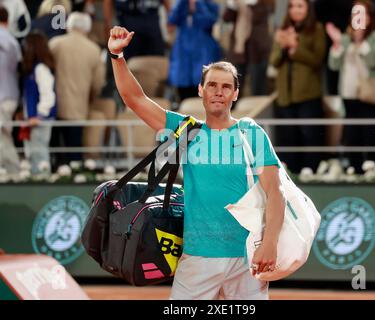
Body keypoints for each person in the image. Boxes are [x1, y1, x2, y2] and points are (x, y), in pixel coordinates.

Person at [107, 26, 286, 300]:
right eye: (212, 85)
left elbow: (275, 192)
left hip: (246, 256)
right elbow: (135, 99)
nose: (218, 92)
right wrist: (117, 56)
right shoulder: (186, 131)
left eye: (226, 87)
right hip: (197, 258)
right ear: (201, 90)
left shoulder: (251, 134)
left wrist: (270, 243)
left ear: (235, 94)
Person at [327, 0, 375, 173]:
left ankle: (373, 170)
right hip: (348, 94)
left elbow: (374, 60)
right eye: (355, 13)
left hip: (370, 94)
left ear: (370, 16)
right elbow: (333, 65)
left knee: (371, 134)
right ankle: (354, 169)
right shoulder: (346, 38)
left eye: (362, 13)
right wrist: (338, 45)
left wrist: (361, 40)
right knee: (352, 136)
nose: (358, 18)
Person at [270, 0, 326, 174]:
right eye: (292, 6)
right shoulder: (282, 30)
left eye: (300, 6)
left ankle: (311, 168)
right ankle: (290, 170)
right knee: (287, 134)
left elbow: (318, 59)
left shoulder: (316, 29)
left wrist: (296, 47)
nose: (295, 10)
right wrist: (282, 45)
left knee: (309, 134)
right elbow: (274, 60)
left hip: (307, 94)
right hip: (285, 94)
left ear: (308, 9)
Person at [49, 11, 105, 166]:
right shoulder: (93, 49)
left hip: (53, 106)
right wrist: (91, 97)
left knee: (53, 152)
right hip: (78, 108)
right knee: (74, 151)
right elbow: (98, 83)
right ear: (87, 28)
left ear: (68, 25)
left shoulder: (55, 44)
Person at [167, 0, 221, 102]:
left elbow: (208, 21)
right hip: (182, 51)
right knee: (182, 85)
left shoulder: (210, 5)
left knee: (202, 82)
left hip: (203, 50)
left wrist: (198, 4)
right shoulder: (182, 4)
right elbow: (172, 20)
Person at [21, 31, 57, 174]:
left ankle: (43, 182)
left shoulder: (41, 69)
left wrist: (40, 115)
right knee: (32, 155)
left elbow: (48, 96)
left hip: (40, 121)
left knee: (39, 154)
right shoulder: (33, 70)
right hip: (32, 121)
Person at [223, 0, 275, 97]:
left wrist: (245, 6)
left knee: (258, 86)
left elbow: (262, 14)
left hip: (258, 49)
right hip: (238, 48)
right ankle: (233, 110)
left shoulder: (264, 3)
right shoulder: (236, 3)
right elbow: (227, 17)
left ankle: (258, 111)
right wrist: (234, 5)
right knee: (234, 85)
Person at [0, 5, 21, 174]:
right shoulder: (13, 40)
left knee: (3, 139)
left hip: (2, 97)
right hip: (11, 96)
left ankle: (14, 174)